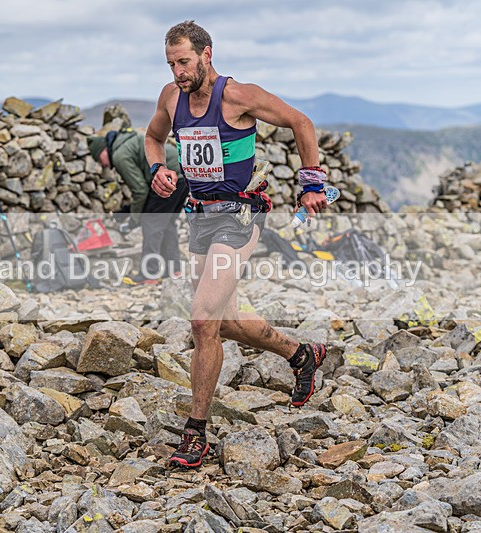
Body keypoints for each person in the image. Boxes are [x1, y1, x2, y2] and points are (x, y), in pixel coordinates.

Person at [145, 20, 335, 469]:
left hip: (241, 214)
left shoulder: (237, 95)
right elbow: (153, 138)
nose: (178, 73)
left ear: (207, 54)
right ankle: (301, 354)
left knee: (201, 321)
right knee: (223, 321)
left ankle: (196, 434)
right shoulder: (171, 99)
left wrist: (312, 182)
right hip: (201, 216)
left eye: (185, 62)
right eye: (171, 64)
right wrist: (157, 169)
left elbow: (300, 122)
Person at [88, 130, 188, 284]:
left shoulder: (119, 155)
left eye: (99, 159)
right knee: (167, 223)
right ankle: (173, 270)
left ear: (104, 150)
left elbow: (140, 191)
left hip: (166, 177)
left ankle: (150, 273)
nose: (102, 165)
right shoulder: (127, 144)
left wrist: (134, 219)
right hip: (182, 174)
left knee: (151, 223)